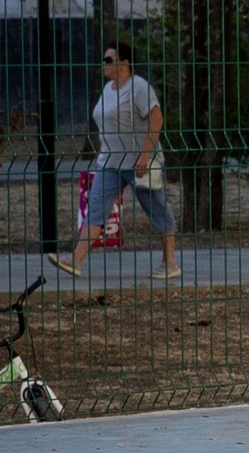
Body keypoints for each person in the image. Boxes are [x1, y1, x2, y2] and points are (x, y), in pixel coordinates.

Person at [62, 39, 180, 286]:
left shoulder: (138, 87)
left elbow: (156, 120)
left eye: (109, 60)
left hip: (139, 163)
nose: (104, 64)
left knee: (157, 209)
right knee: (95, 208)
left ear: (124, 63)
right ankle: (76, 261)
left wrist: (145, 155)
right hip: (110, 163)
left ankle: (169, 263)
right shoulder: (108, 89)